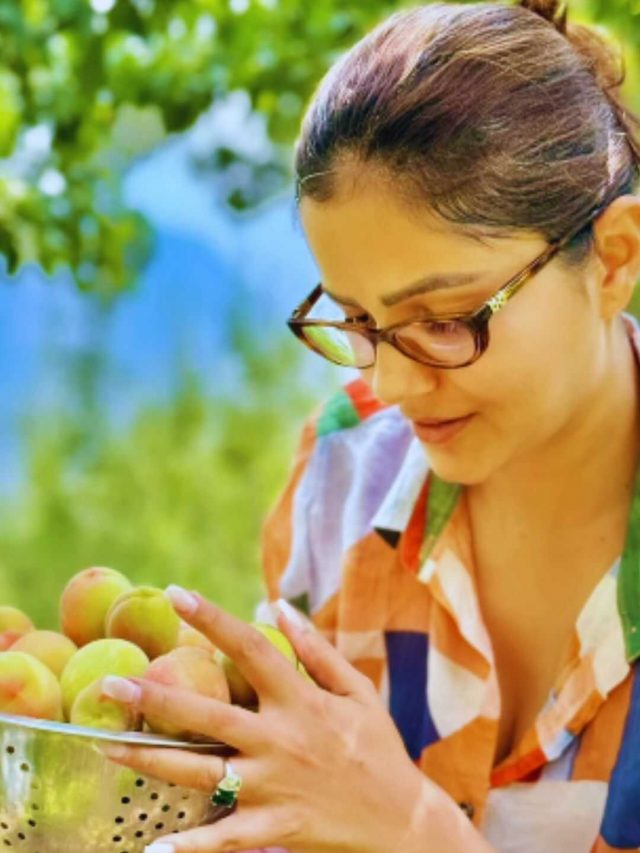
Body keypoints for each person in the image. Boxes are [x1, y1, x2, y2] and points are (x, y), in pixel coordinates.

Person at [98, 0, 640, 850]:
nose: (390, 380)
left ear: (614, 259)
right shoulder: (344, 469)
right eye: (357, 320)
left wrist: (412, 829)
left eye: (447, 317)